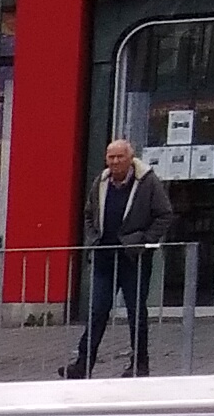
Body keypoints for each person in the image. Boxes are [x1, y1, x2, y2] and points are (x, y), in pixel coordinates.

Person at [67, 137, 174, 379]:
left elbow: (165, 215)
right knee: (97, 312)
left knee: (136, 312)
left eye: (120, 157)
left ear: (130, 157)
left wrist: (144, 240)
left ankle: (140, 364)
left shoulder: (147, 182)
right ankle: (83, 364)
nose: (115, 162)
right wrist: (93, 237)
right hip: (105, 257)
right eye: (111, 157)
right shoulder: (101, 182)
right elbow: (88, 213)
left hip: (133, 258)